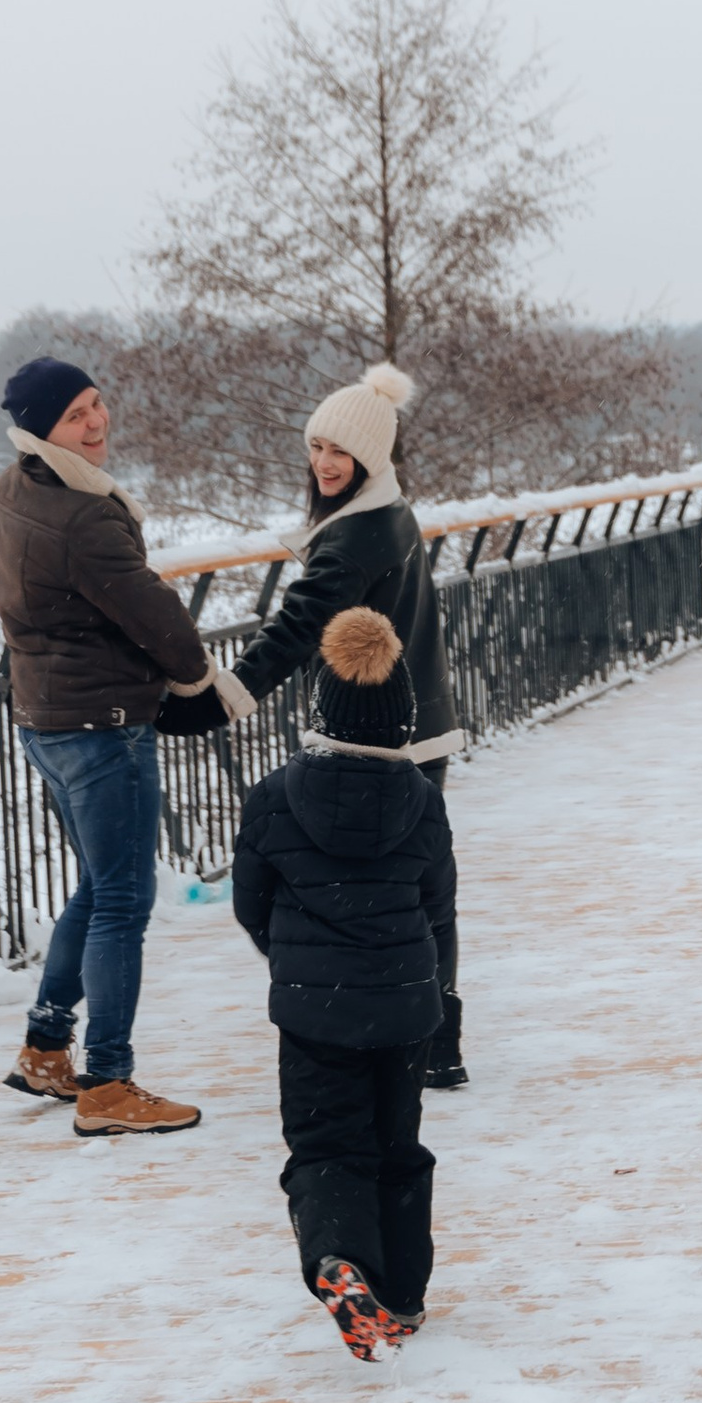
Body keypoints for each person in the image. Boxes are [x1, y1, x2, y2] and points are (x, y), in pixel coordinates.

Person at [0, 352, 256, 1135]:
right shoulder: (86, 515)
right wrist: (200, 684)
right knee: (123, 904)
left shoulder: (7, 494)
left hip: (44, 720)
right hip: (103, 729)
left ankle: (44, 1049)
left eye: (96, 404)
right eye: (76, 415)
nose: (96, 421)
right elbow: (157, 616)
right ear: (41, 430)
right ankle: (107, 1084)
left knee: (99, 888)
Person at [226, 363, 469, 1087]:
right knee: (423, 889)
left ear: (372, 460)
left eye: (341, 453)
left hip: (377, 733)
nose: (325, 464)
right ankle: (436, 1038)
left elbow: (298, 625)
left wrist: (229, 692)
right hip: (418, 723)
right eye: (317, 448)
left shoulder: (358, 534)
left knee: (370, 894)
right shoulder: (391, 514)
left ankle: (380, 1030)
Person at [231, 605, 446, 1361]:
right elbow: (438, 910)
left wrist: (295, 959)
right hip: (404, 1003)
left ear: (322, 710)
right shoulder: (423, 801)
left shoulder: (272, 798)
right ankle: (404, 1296)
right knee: (398, 1145)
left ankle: (337, 1261)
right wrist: (436, 993)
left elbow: (250, 905)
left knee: (326, 1146)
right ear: (401, 719)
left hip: (313, 1008)